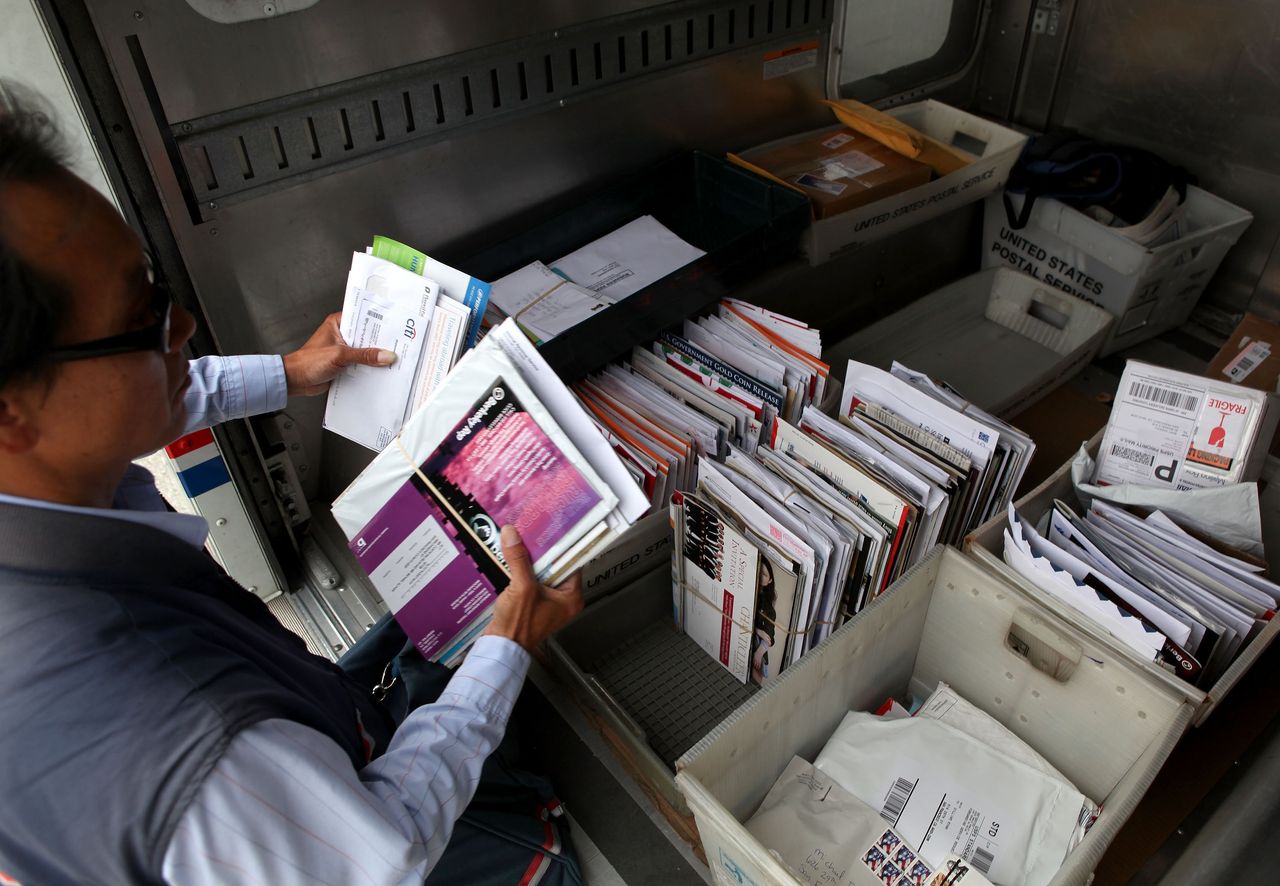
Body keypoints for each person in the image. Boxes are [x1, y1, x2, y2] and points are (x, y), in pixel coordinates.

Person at [0, 89, 584, 884]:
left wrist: (288, 374)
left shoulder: (43, 459)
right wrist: (506, 649)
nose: (182, 330)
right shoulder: (185, 741)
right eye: (145, 316)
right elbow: (386, 848)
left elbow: (127, 387)